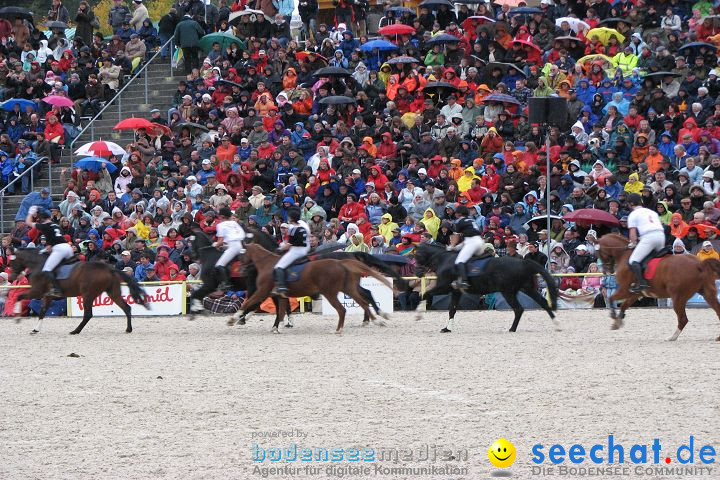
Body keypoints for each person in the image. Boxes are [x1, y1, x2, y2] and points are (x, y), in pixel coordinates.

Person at [25, 207, 74, 298]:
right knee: (63, 267)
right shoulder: (56, 225)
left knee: (47, 269)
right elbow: (53, 241)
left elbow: (28, 223)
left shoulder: (44, 225)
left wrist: (30, 213)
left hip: (59, 249)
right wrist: (47, 248)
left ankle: (57, 290)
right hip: (68, 247)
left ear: (42, 219)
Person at [626, 193, 666, 293]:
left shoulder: (633, 214)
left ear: (631, 203)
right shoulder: (651, 212)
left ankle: (642, 283)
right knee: (651, 258)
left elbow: (632, 233)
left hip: (649, 237)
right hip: (661, 236)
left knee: (633, 261)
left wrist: (633, 243)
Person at [273, 208, 310, 296]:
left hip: (296, 251)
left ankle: (282, 287)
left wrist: (279, 249)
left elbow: (289, 244)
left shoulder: (292, 229)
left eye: (289, 217)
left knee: (279, 266)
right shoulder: (302, 227)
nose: (288, 218)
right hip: (304, 251)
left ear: (291, 218)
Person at [448, 205, 484, 289]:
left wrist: (452, 246)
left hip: (472, 243)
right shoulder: (471, 220)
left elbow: (456, 236)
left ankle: (464, 281)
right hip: (480, 242)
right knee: (469, 259)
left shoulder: (459, 221)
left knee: (459, 261)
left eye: (456, 212)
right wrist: (459, 247)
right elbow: (469, 236)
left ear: (459, 213)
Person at [213, 207, 246, 292]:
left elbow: (220, 241)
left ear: (222, 216)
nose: (219, 217)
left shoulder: (220, 225)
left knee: (219, 265)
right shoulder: (234, 223)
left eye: (219, 216)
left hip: (233, 247)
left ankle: (226, 283)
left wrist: (214, 245)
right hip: (241, 246)